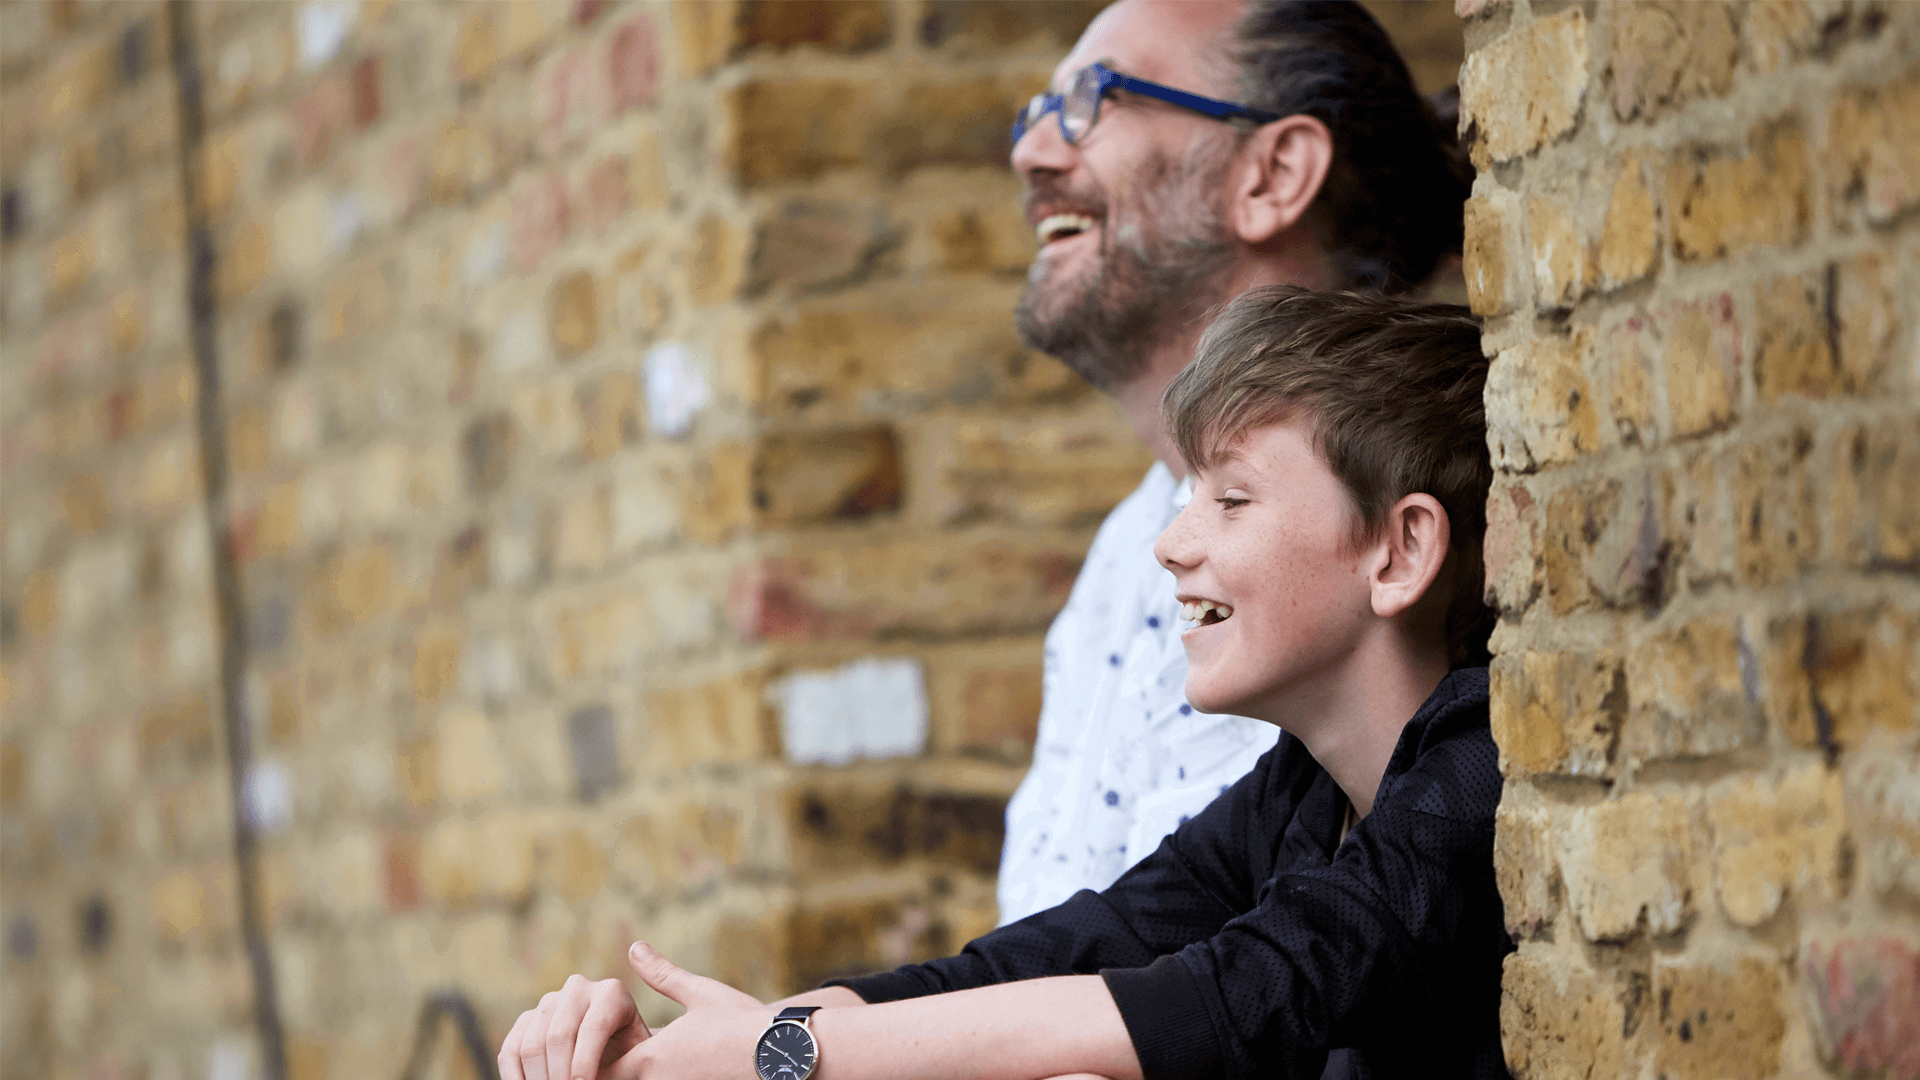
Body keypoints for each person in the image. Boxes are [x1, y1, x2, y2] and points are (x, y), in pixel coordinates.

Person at [499, 286, 1508, 1080]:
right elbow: (1044, 963)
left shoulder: (1486, 775)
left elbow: (1221, 1002)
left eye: (1232, 500)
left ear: (1399, 550)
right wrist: (735, 1041)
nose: (1170, 544)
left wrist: (786, 1056)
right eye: (1187, 495)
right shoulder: (1299, 797)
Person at [993, 0, 1470, 924]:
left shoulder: (1380, 532)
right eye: (1039, 111)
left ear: (1273, 175)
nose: (1033, 152)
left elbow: (1238, 982)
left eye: (1095, 99)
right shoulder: (1127, 548)